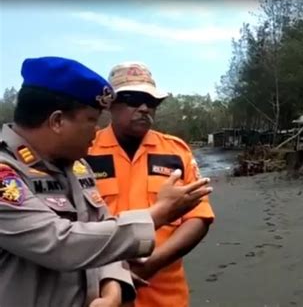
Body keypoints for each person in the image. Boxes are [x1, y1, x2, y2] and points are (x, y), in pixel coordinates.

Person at [0, 56, 212, 307]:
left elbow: (101, 226)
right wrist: (157, 214)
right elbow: (62, 242)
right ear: (57, 121)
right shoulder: (8, 174)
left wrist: (113, 286)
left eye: (152, 101)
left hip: (160, 294)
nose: (95, 130)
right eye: (91, 120)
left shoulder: (76, 166)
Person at [87, 61, 215, 307]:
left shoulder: (176, 152)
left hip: (165, 294)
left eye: (152, 101)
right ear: (109, 104)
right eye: (133, 99)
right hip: (100, 294)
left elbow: (198, 217)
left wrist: (152, 263)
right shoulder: (84, 152)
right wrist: (113, 273)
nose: (145, 108)